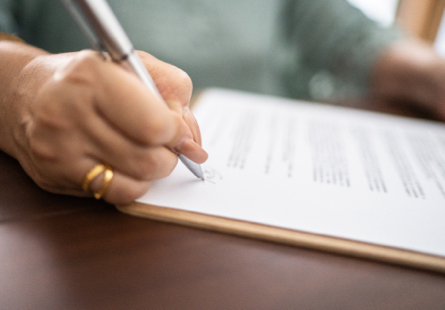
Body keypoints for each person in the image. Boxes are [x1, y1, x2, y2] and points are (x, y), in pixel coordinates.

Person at [1, 0, 445, 203]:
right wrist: (22, 83)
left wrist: (431, 74)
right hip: (87, 213)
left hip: (283, 170)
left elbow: (341, 30)